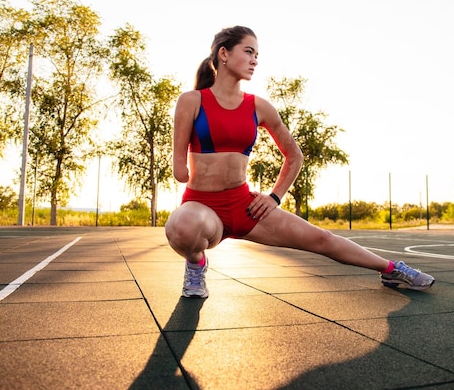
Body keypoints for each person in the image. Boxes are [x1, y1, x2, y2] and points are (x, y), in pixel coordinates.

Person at [165, 25, 434, 298]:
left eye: (257, 54)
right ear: (223, 53)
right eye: (248, 52)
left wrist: (274, 197)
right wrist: (181, 165)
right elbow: (179, 168)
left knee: (323, 239)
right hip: (203, 207)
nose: (255, 60)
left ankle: (392, 270)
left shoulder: (259, 107)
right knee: (183, 226)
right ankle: (196, 264)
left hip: (246, 206)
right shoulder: (192, 100)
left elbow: (294, 156)